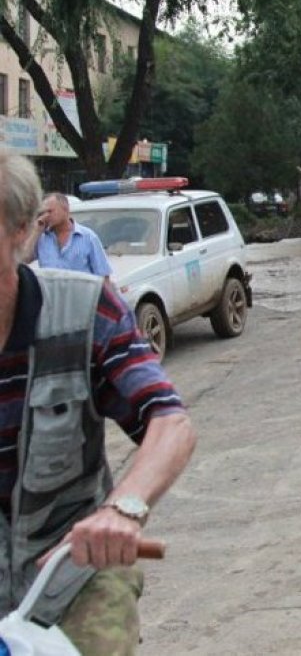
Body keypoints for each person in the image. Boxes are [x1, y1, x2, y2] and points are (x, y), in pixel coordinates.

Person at [0, 152, 196, 653]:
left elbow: (169, 422)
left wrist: (123, 510)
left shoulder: (84, 308)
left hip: (72, 573)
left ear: (22, 233)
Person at [30, 192, 113, 279]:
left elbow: (103, 276)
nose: (46, 216)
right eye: (43, 213)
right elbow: (24, 259)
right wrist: (36, 231)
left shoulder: (88, 237)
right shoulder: (41, 237)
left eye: (50, 211)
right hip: (51, 292)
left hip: (80, 292)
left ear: (65, 209)